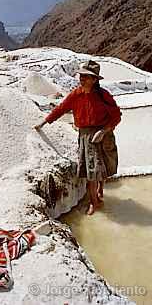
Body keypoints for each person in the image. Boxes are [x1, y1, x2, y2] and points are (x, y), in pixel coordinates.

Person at [34, 60, 121, 215]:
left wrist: (104, 131)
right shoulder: (76, 95)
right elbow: (61, 108)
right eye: (81, 76)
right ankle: (94, 202)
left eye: (86, 76)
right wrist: (44, 122)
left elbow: (116, 116)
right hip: (86, 137)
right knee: (91, 172)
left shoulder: (103, 96)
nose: (82, 79)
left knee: (103, 167)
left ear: (94, 80)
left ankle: (100, 190)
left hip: (103, 134)